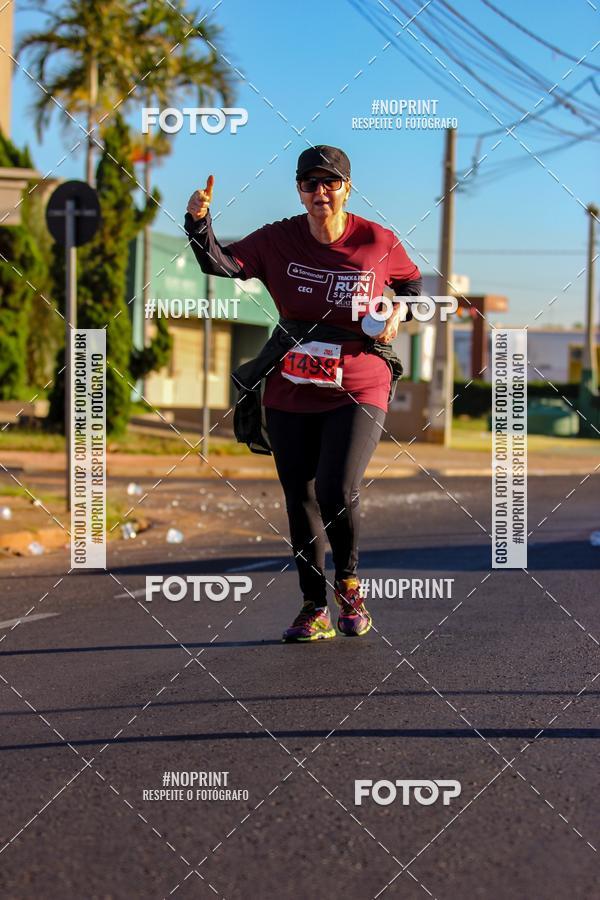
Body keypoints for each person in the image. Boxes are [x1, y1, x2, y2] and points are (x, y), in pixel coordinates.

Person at [185, 145, 422, 643]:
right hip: (292, 381)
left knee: (337, 488)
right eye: (310, 183)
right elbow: (222, 265)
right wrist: (199, 223)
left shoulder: (376, 240)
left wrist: (398, 313)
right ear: (299, 189)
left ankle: (350, 586)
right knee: (301, 496)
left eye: (330, 183)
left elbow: (413, 287)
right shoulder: (279, 238)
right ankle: (314, 606)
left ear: (347, 188)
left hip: (359, 378)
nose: (320, 192)